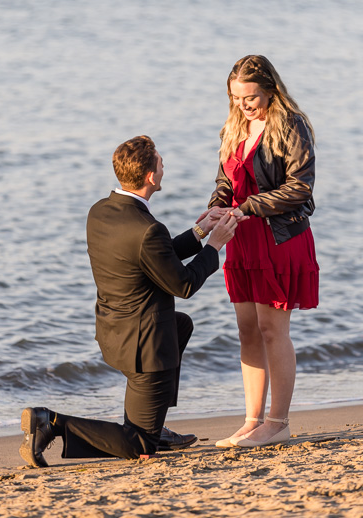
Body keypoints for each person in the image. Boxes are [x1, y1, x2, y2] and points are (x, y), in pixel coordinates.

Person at [19, 135, 239, 468]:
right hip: (144, 349)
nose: (164, 163)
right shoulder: (148, 229)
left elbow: (151, 257)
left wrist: (199, 232)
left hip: (113, 335)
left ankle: (156, 424)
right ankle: (51, 423)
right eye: (160, 160)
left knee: (180, 325)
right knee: (139, 445)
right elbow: (183, 284)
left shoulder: (102, 212)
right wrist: (215, 246)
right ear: (151, 176)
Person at [206, 55, 319, 448]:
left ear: (271, 88)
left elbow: (300, 188)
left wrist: (248, 207)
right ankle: (252, 419)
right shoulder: (234, 125)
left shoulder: (291, 125)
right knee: (247, 330)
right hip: (242, 238)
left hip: (278, 238)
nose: (244, 105)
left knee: (273, 330)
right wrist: (218, 205)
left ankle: (278, 422)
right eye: (237, 97)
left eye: (251, 97)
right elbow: (226, 179)